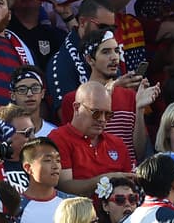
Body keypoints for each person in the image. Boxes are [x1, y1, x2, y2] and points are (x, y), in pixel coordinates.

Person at [58, 28, 159, 157]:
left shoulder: (130, 96)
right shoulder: (73, 99)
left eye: (116, 51)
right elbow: (76, 144)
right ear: (90, 59)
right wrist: (112, 87)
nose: (114, 57)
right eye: (106, 52)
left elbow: (139, 152)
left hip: (128, 172)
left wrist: (139, 109)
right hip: (95, 172)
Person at [52, 81, 136, 195]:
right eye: (96, 113)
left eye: (107, 115)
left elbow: (129, 187)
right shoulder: (58, 138)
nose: (102, 119)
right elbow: (63, 186)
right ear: (76, 108)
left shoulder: (117, 143)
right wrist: (104, 180)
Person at [47, 0, 118, 111]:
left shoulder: (112, 52)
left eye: (112, 29)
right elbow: (67, 115)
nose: (107, 33)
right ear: (82, 22)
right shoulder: (62, 62)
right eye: (102, 27)